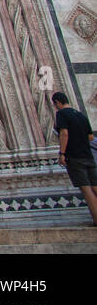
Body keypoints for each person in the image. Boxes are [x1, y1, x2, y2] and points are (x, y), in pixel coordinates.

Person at [52, 91, 97, 226]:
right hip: (88, 156)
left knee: (86, 188)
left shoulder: (61, 114)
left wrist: (62, 153)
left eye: (55, 104)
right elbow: (90, 137)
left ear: (57, 103)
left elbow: (64, 133)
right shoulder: (81, 115)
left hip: (75, 157)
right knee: (95, 186)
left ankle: (96, 219)